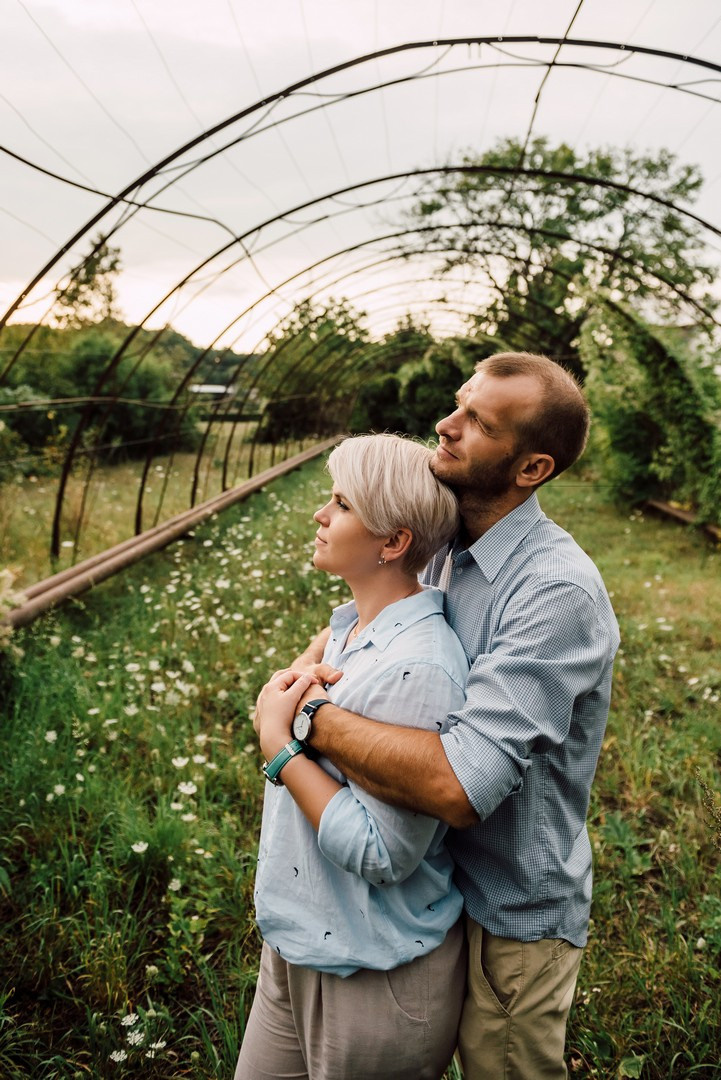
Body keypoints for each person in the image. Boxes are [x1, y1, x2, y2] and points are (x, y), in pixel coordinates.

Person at [280, 352, 621, 1080]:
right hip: (425, 892)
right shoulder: (441, 548)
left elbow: (457, 788)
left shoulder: (553, 591)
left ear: (530, 469)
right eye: (457, 403)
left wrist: (301, 719)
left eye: (478, 422)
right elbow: (367, 626)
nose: (445, 424)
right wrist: (320, 661)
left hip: (505, 907)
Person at [236, 434, 471, 1080]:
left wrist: (278, 749)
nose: (319, 514)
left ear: (391, 543)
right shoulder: (348, 628)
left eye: (340, 503)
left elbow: (382, 852)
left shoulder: (416, 667)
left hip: (375, 974)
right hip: (299, 943)